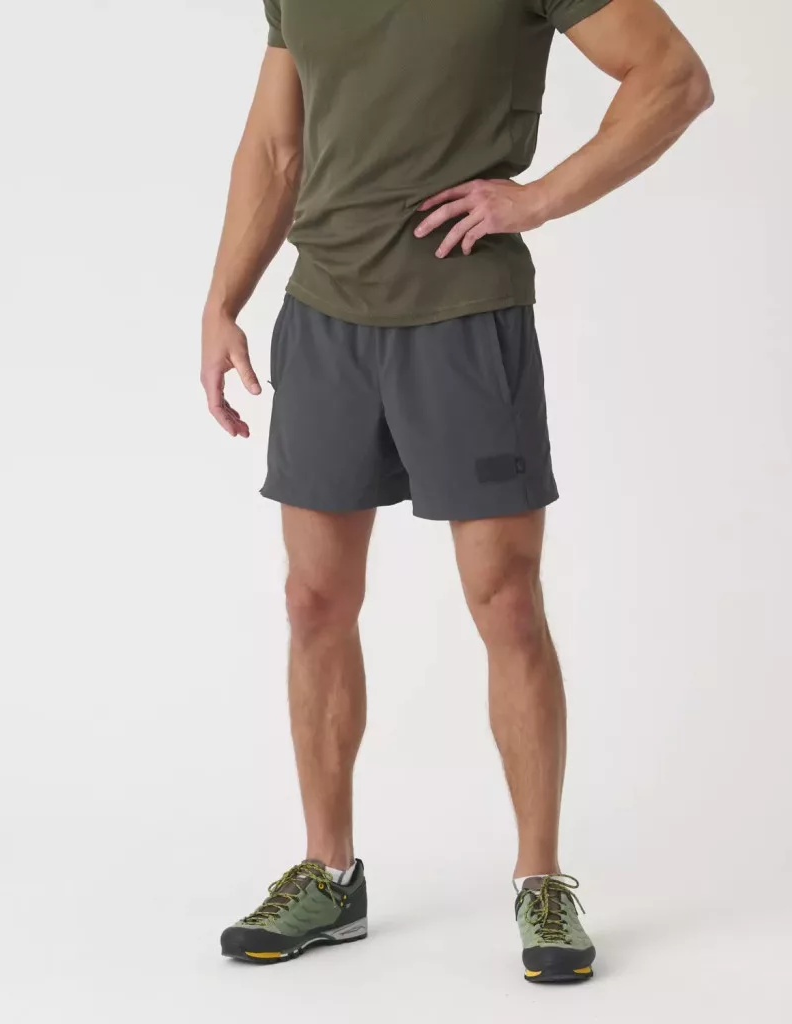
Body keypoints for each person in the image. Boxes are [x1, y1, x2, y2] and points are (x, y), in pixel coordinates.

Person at [202, 0, 711, 983]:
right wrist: (222, 302)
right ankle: (329, 875)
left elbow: (672, 77)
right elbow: (274, 145)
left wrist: (538, 199)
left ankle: (541, 880)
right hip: (325, 316)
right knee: (313, 601)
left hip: (465, 315)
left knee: (506, 602)